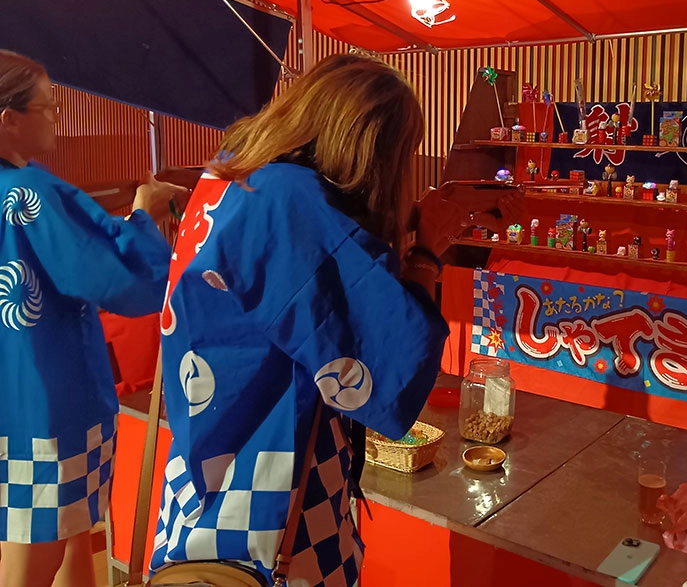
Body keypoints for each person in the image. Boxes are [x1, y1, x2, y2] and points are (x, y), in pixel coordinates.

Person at [149, 54, 502, 585]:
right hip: (273, 510)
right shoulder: (290, 201)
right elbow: (393, 368)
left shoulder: (233, 175)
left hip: (201, 476)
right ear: (368, 147)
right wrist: (428, 252)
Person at [0, 50, 185, 587]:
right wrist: (144, 214)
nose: (57, 116)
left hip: (12, 398)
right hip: (46, 406)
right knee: (37, 551)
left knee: (60, 535)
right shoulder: (28, 194)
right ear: (9, 120)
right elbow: (112, 276)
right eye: (47, 107)